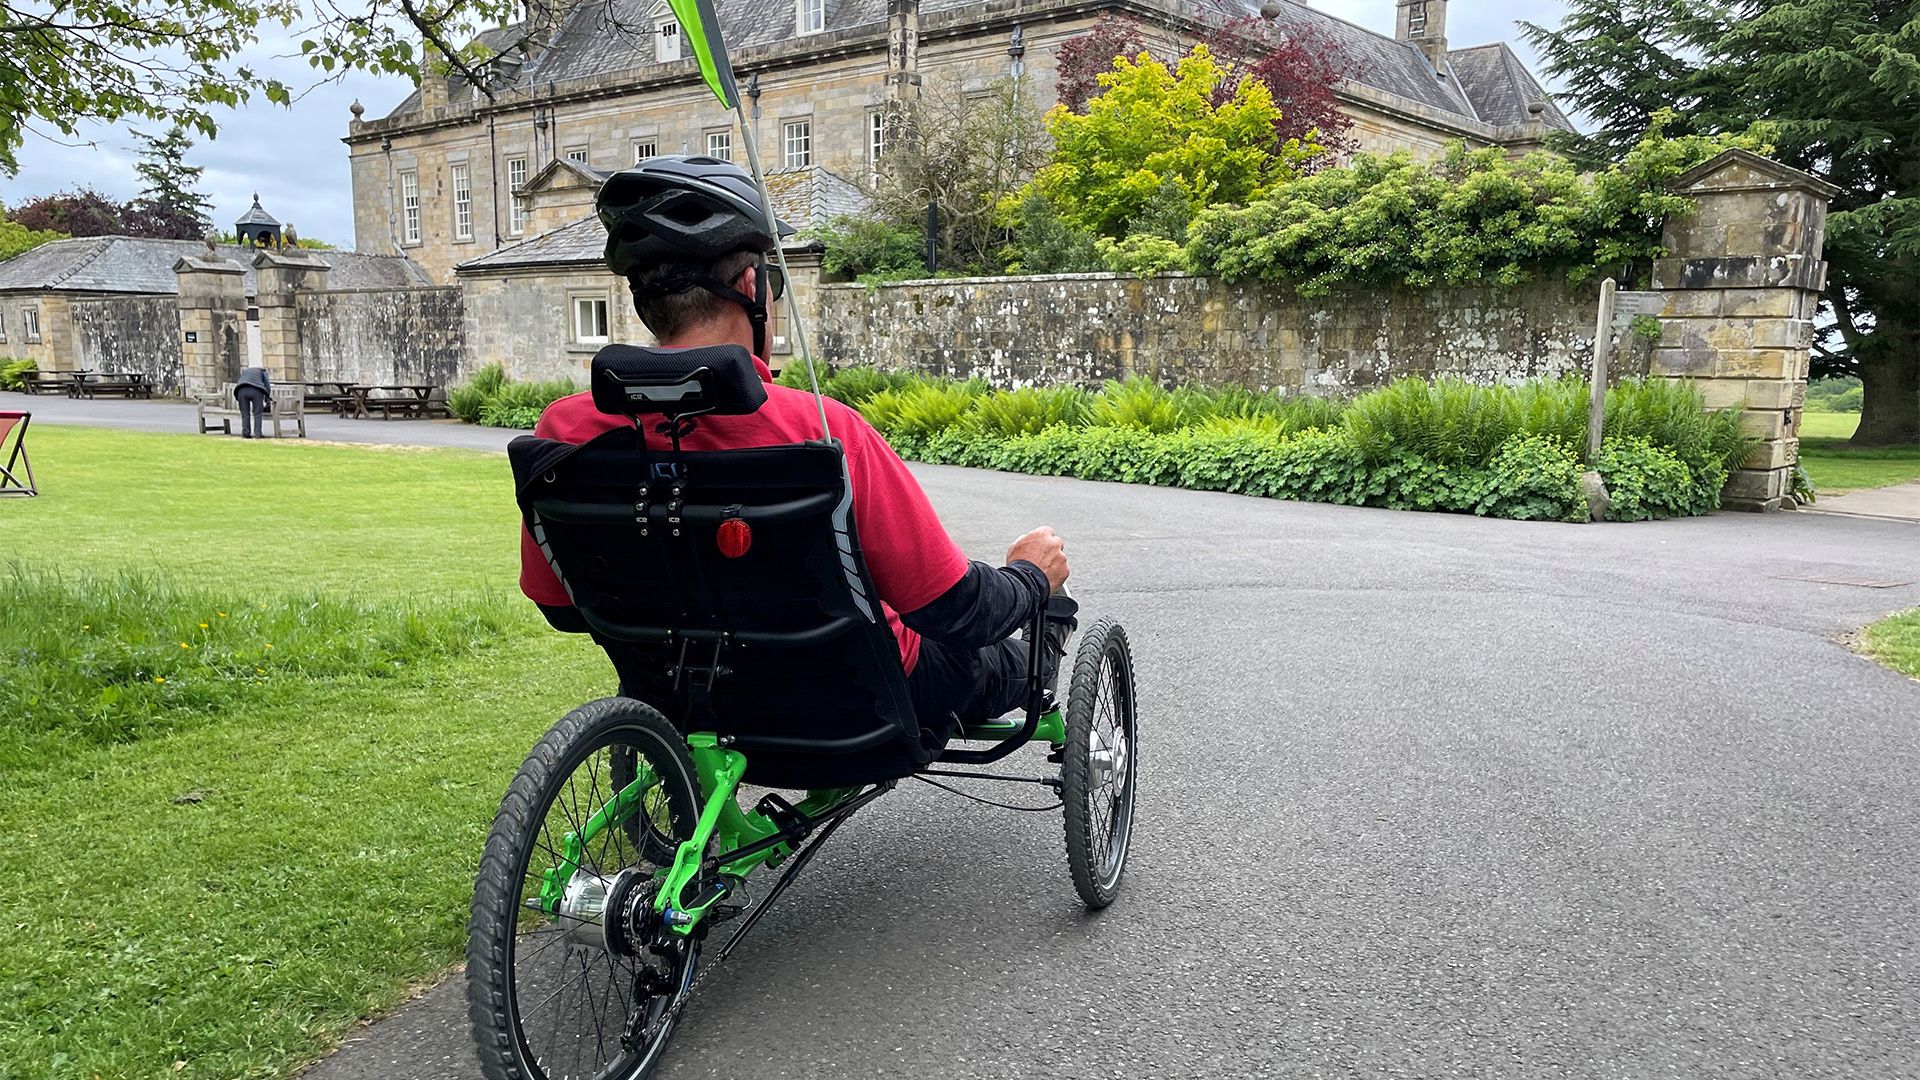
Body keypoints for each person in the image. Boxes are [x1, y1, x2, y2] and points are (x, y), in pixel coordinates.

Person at [518, 155, 1075, 733]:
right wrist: (1030, 574)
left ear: (642, 299)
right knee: (1009, 651)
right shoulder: (823, 428)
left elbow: (561, 608)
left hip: (677, 694)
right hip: (860, 708)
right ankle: (1050, 632)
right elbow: (956, 610)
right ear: (751, 286)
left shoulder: (564, 430)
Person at [235, 365, 270, 439]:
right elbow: (267, 386)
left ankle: (246, 433)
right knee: (257, 413)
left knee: (245, 414)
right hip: (256, 390)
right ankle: (258, 434)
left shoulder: (246, 371)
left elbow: (241, 381)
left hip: (241, 390)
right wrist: (267, 400)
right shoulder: (263, 371)